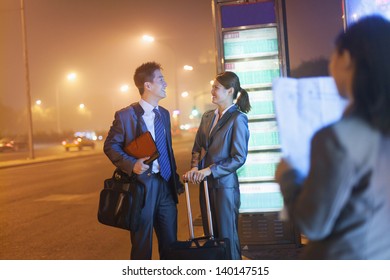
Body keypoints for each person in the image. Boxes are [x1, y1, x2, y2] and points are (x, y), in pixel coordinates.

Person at [275, 15, 390, 259]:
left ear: (346, 59)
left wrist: (287, 176)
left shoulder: (336, 138)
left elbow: (313, 224)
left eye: (334, 55)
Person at [104, 61, 183, 260]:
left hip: (165, 185)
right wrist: (132, 164)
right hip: (142, 187)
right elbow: (110, 146)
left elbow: (167, 150)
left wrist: (174, 178)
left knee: (170, 244)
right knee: (141, 245)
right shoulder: (126, 116)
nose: (165, 84)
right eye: (161, 79)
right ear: (147, 85)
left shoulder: (163, 114)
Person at [184, 71, 251, 260]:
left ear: (230, 91)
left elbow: (238, 157)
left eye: (216, 88)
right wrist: (195, 168)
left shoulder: (238, 119)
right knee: (211, 236)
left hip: (225, 187)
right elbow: (197, 147)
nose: (212, 91)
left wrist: (210, 170)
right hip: (205, 185)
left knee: (227, 237)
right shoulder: (207, 117)